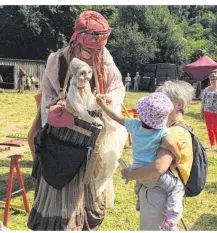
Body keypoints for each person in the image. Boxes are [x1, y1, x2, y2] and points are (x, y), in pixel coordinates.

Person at [27, 11, 127, 230]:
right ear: (75, 42)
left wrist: (110, 99)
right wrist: (60, 108)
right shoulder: (59, 60)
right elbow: (49, 95)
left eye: (97, 50)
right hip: (63, 140)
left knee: (86, 190)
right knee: (59, 187)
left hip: (90, 143)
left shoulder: (104, 59)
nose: (92, 54)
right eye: (87, 49)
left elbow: (117, 87)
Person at [96, 92, 183, 231]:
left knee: (140, 183)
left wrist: (102, 106)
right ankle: (172, 218)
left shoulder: (134, 126)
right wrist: (177, 158)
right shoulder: (162, 132)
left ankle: (139, 200)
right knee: (177, 187)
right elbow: (172, 146)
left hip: (137, 169)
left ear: (141, 114)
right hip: (153, 174)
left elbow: (115, 117)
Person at [121, 80, 194, 230]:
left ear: (178, 104)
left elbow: (158, 167)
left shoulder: (173, 133)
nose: (156, 104)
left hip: (158, 195)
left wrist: (130, 174)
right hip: (159, 193)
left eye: (163, 99)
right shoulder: (170, 129)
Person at [201, 71, 217, 151]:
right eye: (211, 79)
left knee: (216, 128)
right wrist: (202, 112)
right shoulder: (206, 90)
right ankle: (212, 144)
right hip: (207, 112)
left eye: (214, 79)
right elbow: (203, 102)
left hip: (216, 113)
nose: (213, 81)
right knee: (209, 128)